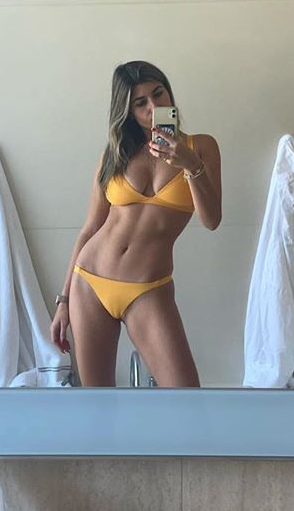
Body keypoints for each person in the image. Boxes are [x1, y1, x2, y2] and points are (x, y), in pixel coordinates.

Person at [50, 60, 221, 387]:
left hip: (148, 288)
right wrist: (64, 301)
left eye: (158, 94)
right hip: (91, 282)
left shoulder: (201, 147)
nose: (153, 107)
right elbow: (90, 229)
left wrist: (190, 166)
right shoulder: (115, 154)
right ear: (128, 111)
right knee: (97, 404)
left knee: (187, 399)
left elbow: (211, 219)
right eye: (140, 103)